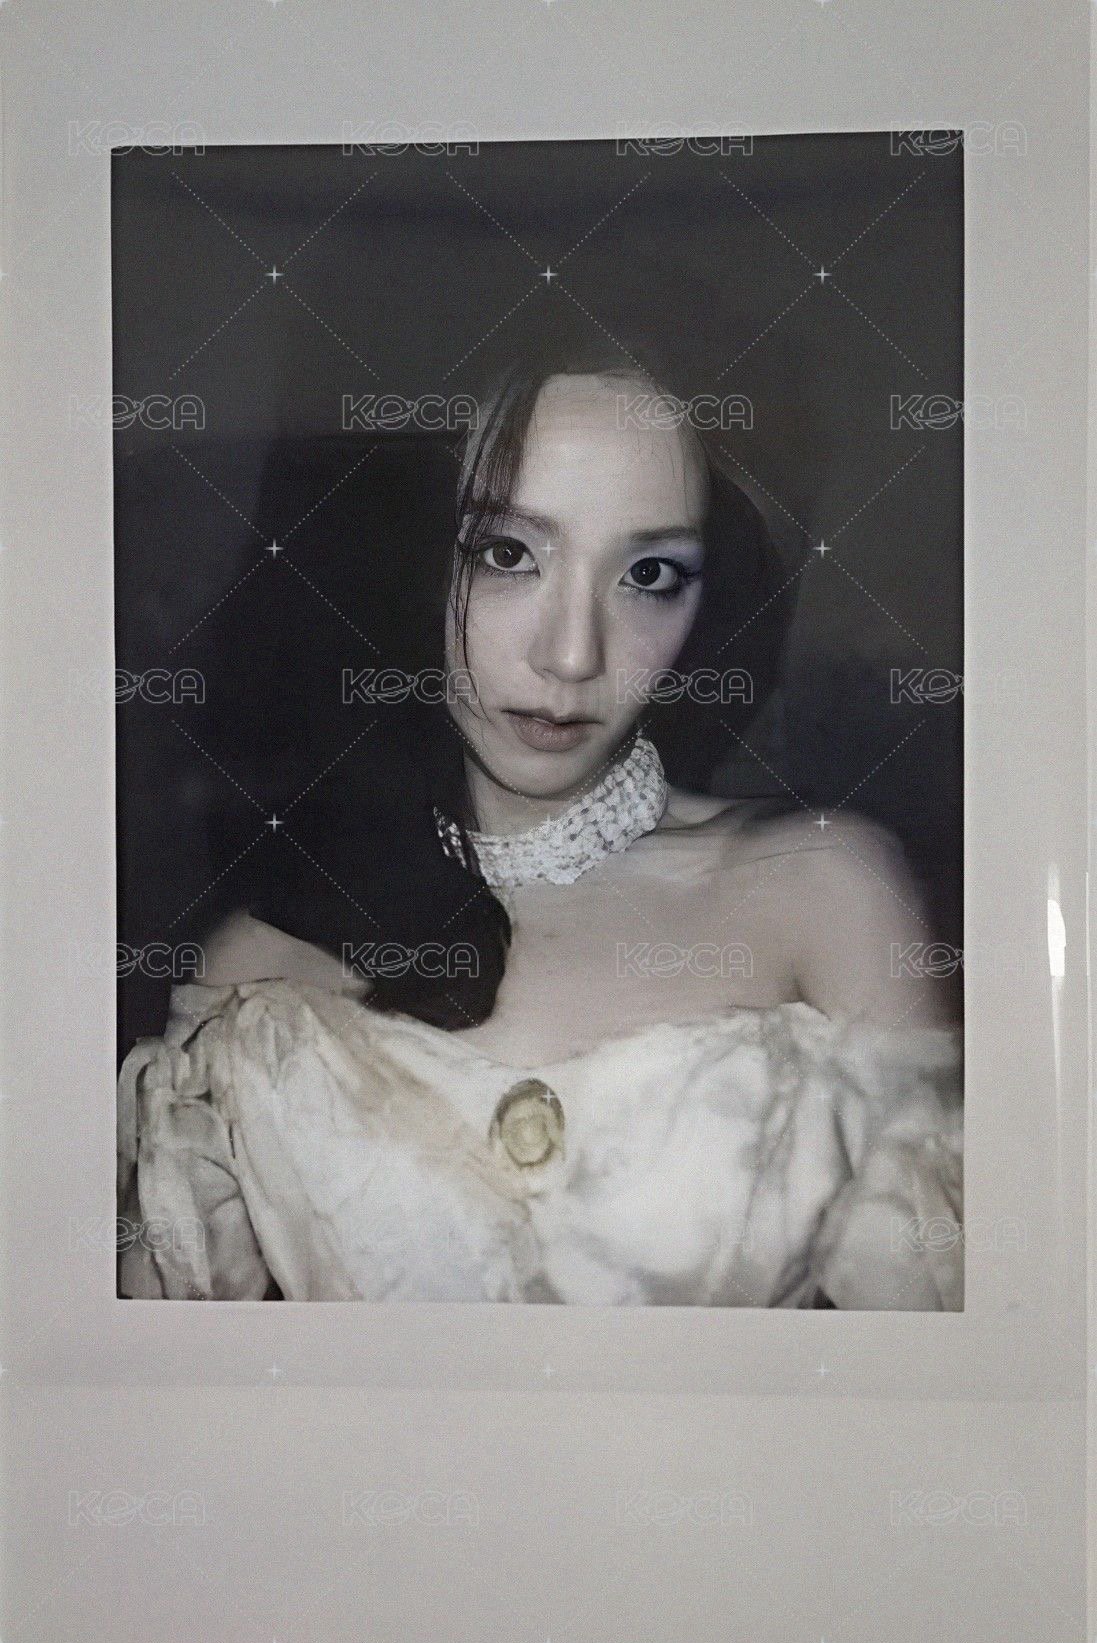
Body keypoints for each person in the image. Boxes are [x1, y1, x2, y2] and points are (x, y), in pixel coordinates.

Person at [117, 348, 963, 1307]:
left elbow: (963, 1370)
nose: (572, 654)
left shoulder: (823, 892)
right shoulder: (258, 978)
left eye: (648, 573)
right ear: (398, 548)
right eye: (507, 554)